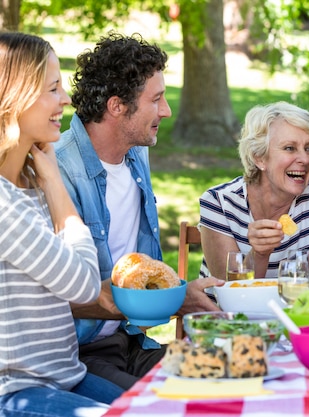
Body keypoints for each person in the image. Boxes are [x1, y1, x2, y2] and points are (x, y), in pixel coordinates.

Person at [54, 32, 223, 391]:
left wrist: (178, 294)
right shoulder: (58, 171)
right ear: (117, 106)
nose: (167, 110)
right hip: (76, 353)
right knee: (157, 405)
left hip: (132, 341)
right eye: (157, 99)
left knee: (226, 376)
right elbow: (61, 296)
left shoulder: (136, 153)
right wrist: (177, 297)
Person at [0, 31, 124, 416]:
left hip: (65, 376)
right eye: (53, 88)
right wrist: (55, 179)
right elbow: (84, 284)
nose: (65, 100)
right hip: (15, 391)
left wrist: (46, 178)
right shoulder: (4, 203)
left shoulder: (29, 185)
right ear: (15, 97)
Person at [199, 101, 309, 279]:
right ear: (259, 158)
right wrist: (259, 254)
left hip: (294, 306)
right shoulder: (219, 202)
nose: (304, 159)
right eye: (289, 148)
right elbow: (229, 290)